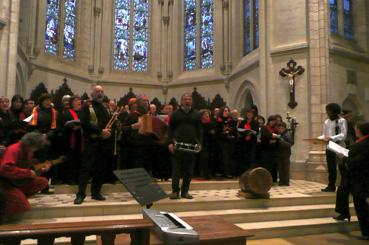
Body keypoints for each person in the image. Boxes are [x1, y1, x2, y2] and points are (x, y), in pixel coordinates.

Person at [74, 85, 112, 204]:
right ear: (93, 93)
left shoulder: (105, 108)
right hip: (90, 142)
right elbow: (84, 124)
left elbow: (109, 124)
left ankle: (96, 192)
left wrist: (109, 131)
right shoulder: (86, 106)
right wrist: (100, 132)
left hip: (102, 143)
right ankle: (80, 194)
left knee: (99, 169)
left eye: (101, 91)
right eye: (97, 91)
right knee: (86, 169)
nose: (100, 93)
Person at [0, 132, 50, 222]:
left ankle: (16, 199)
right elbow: (5, 169)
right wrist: (28, 173)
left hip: (16, 181)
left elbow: (28, 172)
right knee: (23, 206)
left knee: (43, 181)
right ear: (32, 145)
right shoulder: (14, 149)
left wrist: (41, 170)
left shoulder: (27, 151)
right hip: (5, 183)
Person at [168, 93, 202, 199]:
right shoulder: (175, 114)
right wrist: (169, 143)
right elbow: (170, 129)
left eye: (189, 99)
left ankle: (185, 191)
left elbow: (200, 130)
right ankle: (175, 191)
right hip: (177, 146)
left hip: (191, 146)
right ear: (181, 101)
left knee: (189, 171)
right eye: (185, 99)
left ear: (191, 101)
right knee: (176, 170)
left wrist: (200, 143)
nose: (187, 101)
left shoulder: (196, 114)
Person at [346, 121, 369, 240]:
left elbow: (354, 163)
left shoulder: (358, 145)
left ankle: (366, 232)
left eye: (356, 129)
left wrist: (345, 157)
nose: (355, 131)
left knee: (360, 206)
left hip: (361, 179)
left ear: (360, 130)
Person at [318, 103, 347, 192]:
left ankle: (345, 185)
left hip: (339, 147)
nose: (327, 113)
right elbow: (324, 135)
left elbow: (343, 134)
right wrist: (317, 139)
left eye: (329, 111)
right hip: (330, 147)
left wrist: (332, 138)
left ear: (335, 111)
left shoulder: (342, 121)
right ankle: (331, 186)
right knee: (331, 168)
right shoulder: (326, 122)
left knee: (342, 167)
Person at [275, 122, 292, 186]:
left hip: (285, 154)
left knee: (285, 168)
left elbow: (289, 144)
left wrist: (282, 141)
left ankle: (286, 182)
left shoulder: (287, 135)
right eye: (279, 128)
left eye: (281, 128)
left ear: (284, 128)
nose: (280, 130)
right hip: (279, 154)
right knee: (280, 168)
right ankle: (281, 182)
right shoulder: (279, 135)